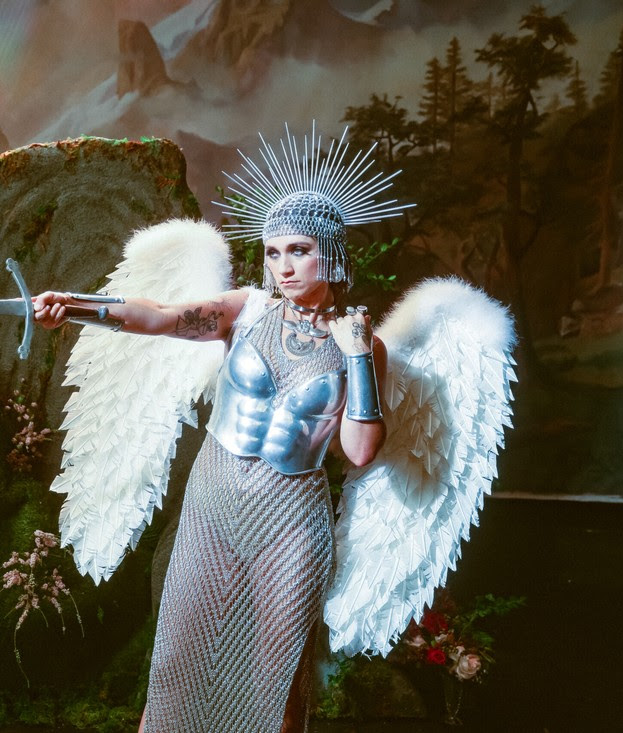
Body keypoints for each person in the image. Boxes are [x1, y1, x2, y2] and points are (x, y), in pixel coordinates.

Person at [33, 124, 412, 732]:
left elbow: (360, 452)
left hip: (293, 517)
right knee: (180, 656)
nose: (283, 266)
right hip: (214, 501)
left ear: (331, 253)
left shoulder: (362, 345)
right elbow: (159, 316)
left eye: (299, 250)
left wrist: (360, 357)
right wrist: (75, 306)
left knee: (277, 672)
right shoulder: (246, 309)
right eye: (273, 252)